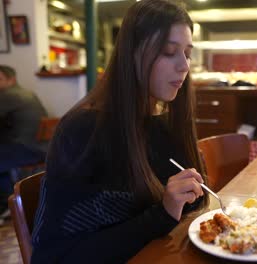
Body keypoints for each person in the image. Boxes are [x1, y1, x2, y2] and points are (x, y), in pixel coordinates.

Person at [31, 0, 208, 263]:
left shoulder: (164, 121)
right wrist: (162, 213)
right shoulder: (84, 131)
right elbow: (58, 255)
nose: (184, 66)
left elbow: (191, 204)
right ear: (132, 53)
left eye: (187, 53)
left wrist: (182, 195)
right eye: (169, 52)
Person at [0, 65, 47, 225]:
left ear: (11, 80)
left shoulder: (8, 95)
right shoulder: (28, 94)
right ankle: (7, 204)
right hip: (40, 149)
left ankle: (6, 205)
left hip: (26, 150)